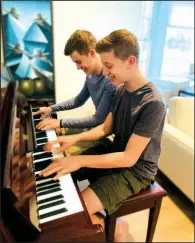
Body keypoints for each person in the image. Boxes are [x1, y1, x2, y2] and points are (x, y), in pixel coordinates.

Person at [39, 29, 166, 242]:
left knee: (74, 214)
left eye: (109, 66)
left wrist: (79, 159)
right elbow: (105, 129)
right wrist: (73, 139)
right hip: (115, 152)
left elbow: (128, 158)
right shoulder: (120, 90)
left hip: (136, 171)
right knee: (59, 167)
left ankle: (117, 228)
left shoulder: (153, 104)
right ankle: (111, 220)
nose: (105, 73)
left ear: (130, 61)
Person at [33, 30, 116, 154]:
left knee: (59, 151)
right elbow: (79, 100)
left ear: (91, 53)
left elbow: (98, 119)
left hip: (105, 134)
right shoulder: (90, 76)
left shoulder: (110, 80)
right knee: (51, 135)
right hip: (95, 127)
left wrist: (60, 122)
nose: (78, 68)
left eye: (79, 62)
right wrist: (51, 109)